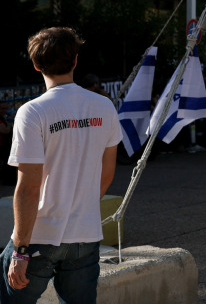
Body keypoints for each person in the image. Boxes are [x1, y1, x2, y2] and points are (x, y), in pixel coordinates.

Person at [1, 27, 121, 302]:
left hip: (40, 236)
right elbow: (107, 173)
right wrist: (79, 208)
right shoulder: (104, 107)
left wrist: (19, 251)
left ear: (36, 65)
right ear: (76, 60)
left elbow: (29, 187)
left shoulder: (32, 112)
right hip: (85, 235)